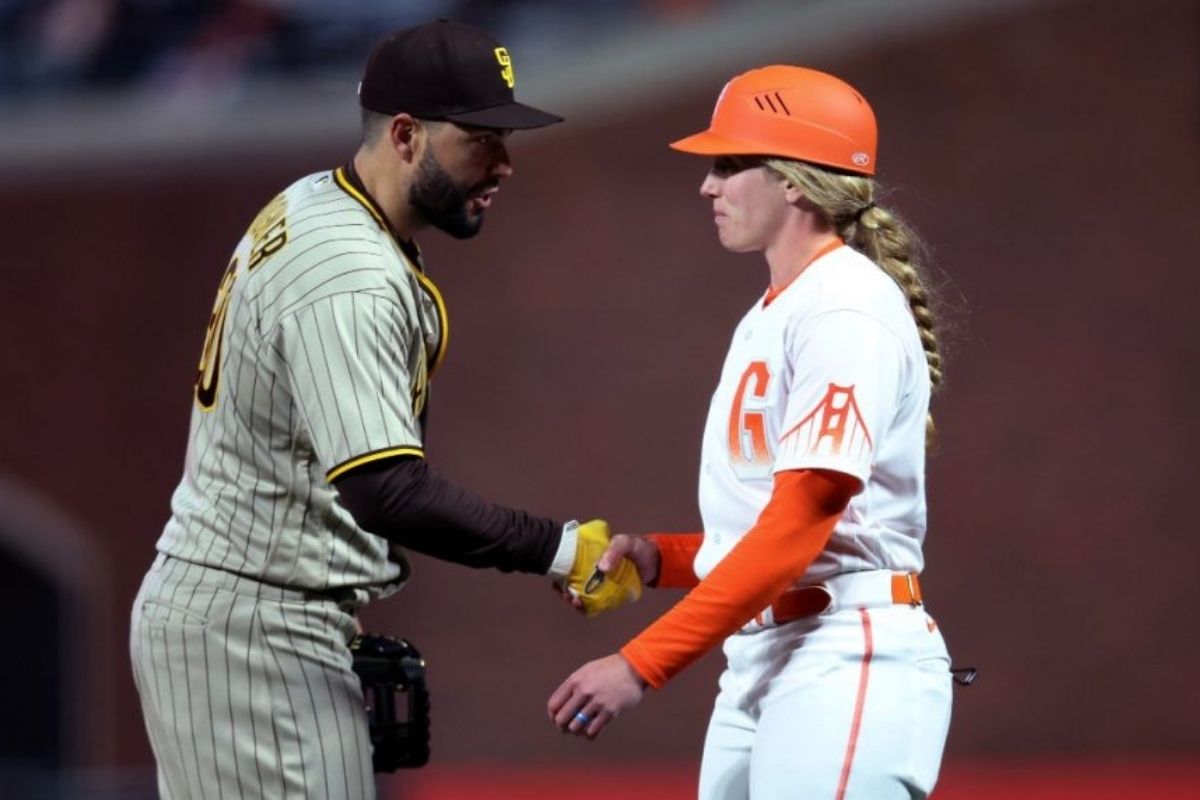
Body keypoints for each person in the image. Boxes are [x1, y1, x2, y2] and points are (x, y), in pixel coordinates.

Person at [129, 19, 637, 800]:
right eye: (480, 138)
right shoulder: (351, 274)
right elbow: (387, 491)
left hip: (249, 608)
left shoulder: (316, 202)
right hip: (254, 623)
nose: (503, 163)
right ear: (405, 134)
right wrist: (559, 549)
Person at [548, 65, 955, 798]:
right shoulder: (778, 309)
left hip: (843, 654)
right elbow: (777, 532)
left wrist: (640, 663)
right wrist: (659, 557)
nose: (709, 186)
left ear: (796, 180)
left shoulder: (845, 307)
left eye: (730, 165)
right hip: (771, 654)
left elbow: (799, 526)